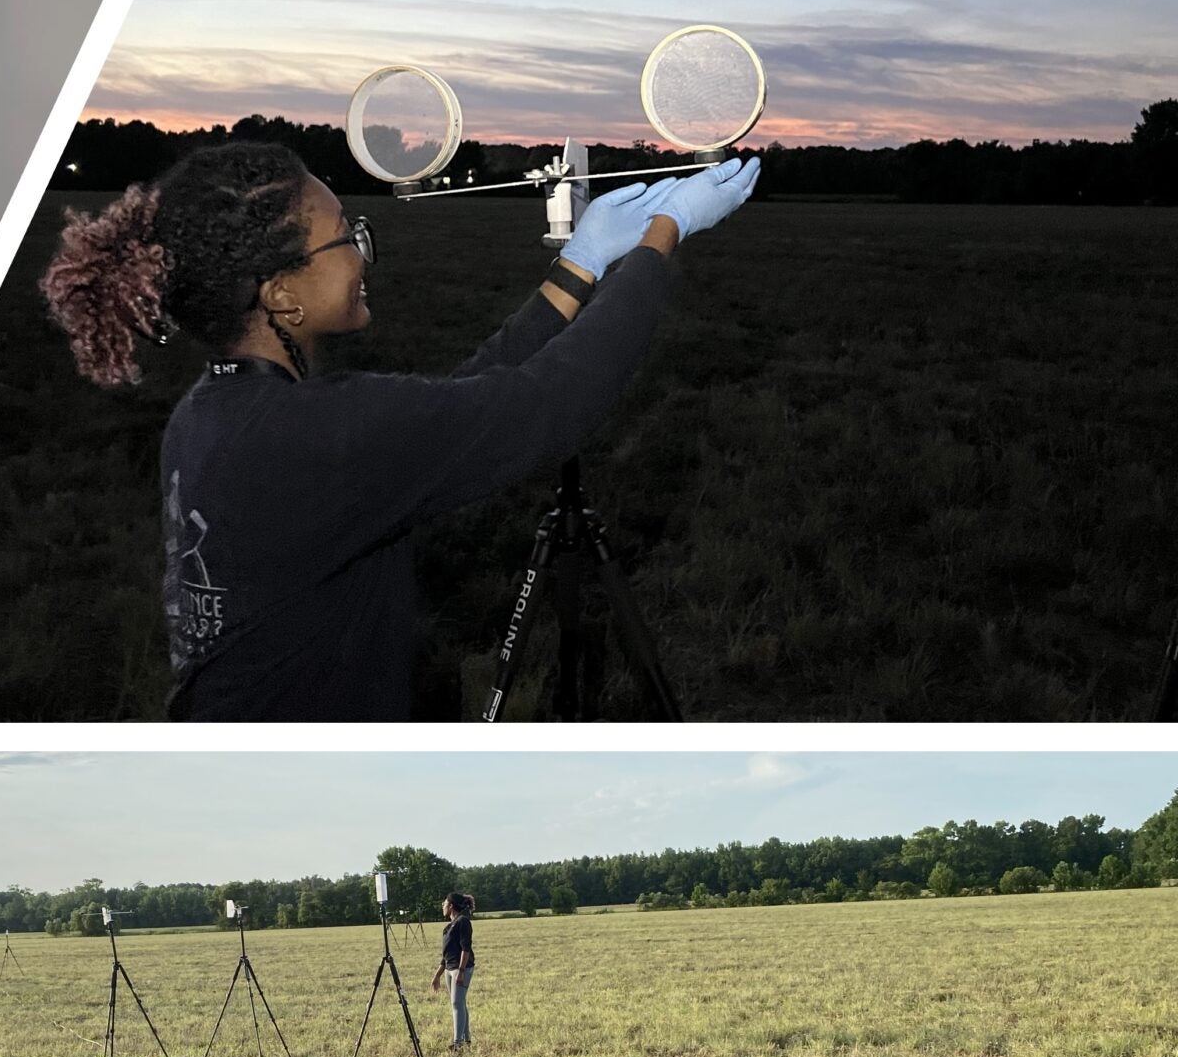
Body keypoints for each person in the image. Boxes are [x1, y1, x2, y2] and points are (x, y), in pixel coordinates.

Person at [40, 142, 761, 719]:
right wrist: (661, 237)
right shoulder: (314, 437)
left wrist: (579, 266)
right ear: (280, 293)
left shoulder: (219, 412)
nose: (360, 252)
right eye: (342, 238)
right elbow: (544, 408)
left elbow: (452, 410)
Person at [436, 892, 476, 1050]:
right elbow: (446, 956)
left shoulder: (463, 922)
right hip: (449, 968)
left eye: (445, 903)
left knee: (456, 1003)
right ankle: (466, 1040)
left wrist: (461, 970)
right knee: (460, 1003)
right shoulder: (448, 926)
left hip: (462, 968)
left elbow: (465, 949)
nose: (442, 905)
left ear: (451, 905)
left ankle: (457, 1043)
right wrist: (437, 976)